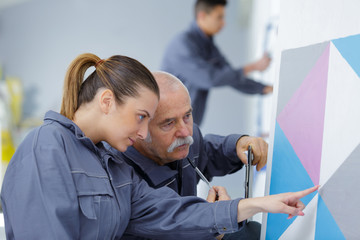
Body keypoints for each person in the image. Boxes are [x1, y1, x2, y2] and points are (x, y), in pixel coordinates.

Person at [1, 53, 317, 240]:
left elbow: (170, 212)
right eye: (142, 118)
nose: (141, 132)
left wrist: (259, 204)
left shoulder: (111, 168)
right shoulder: (46, 148)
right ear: (107, 102)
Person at [108, 71, 306, 240]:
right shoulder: (120, 178)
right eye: (168, 123)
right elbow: (172, 218)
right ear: (139, 129)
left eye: (187, 115)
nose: (185, 132)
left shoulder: (182, 140)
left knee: (252, 233)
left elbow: (206, 151)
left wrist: (237, 145)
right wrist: (214, 225)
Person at [161, 0, 273, 125]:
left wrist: (265, 89)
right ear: (202, 16)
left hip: (186, 126)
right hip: (169, 126)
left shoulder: (208, 46)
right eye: (219, 17)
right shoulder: (182, 45)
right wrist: (252, 67)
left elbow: (230, 76)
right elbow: (210, 78)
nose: (223, 23)